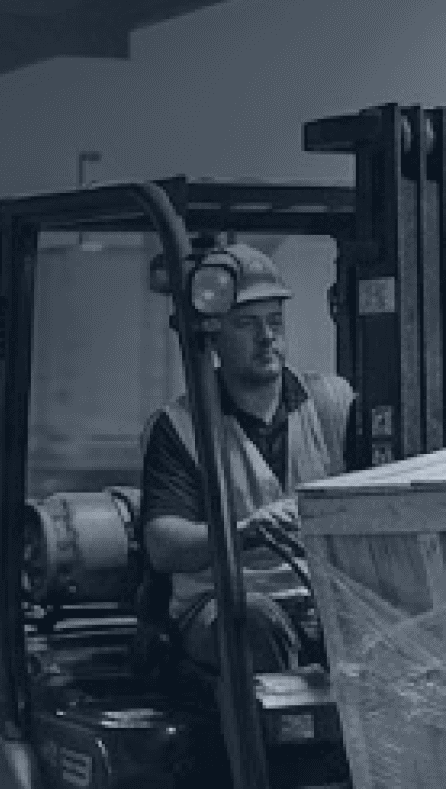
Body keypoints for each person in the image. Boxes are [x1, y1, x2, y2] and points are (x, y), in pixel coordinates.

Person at [136, 242, 354, 673]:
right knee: (254, 622)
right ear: (213, 336)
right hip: (219, 604)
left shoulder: (333, 403)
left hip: (319, 597)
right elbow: (164, 546)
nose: (267, 337)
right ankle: (275, 742)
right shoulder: (181, 425)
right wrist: (244, 532)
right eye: (247, 325)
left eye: (275, 321)